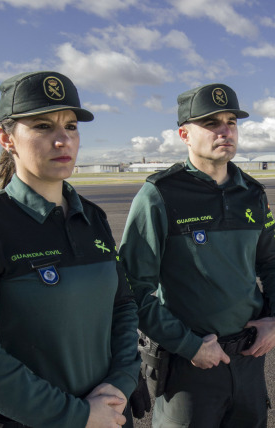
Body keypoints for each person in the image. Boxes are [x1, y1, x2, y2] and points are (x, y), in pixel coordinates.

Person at [0, 70, 140, 428]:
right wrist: (78, 415)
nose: (62, 140)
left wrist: (121, 383)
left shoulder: (93, 219)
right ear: (6, 138)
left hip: (111, 414)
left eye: (70, 126)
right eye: (42, 126)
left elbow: (124, 306)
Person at [119, 83, 275, 428]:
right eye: (211, 123)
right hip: (190, 367)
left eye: (231, 121)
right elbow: (131, 286)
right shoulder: (159, 195)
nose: (225, 131)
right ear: (184, 134)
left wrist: (274, 320)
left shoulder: (252, 193)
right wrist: (188, 345)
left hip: (249, 360)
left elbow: (271, 262)